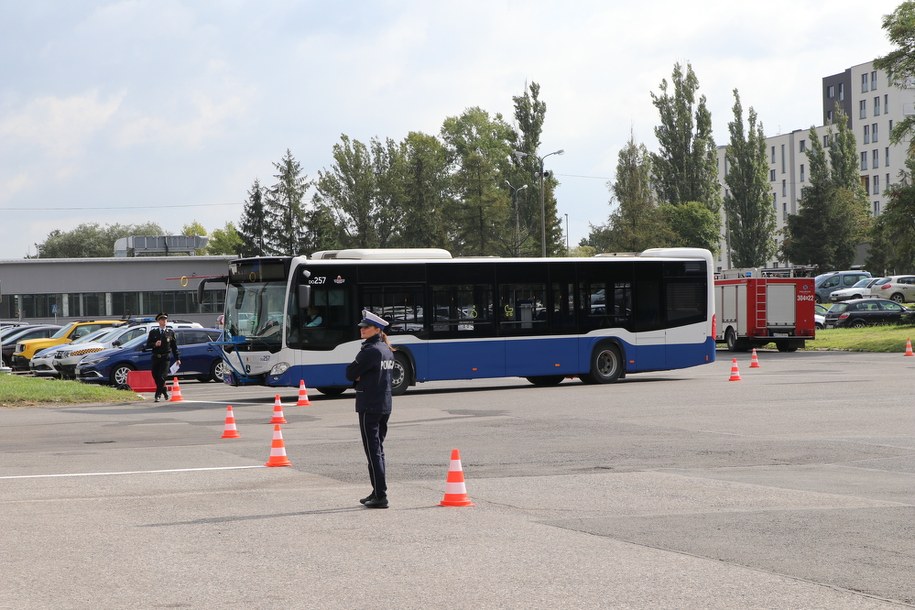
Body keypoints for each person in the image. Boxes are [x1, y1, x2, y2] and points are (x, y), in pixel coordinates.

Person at [345, 309, 394, 509]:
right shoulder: (386, 349)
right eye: (362, 327)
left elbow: (350, 372)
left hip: (369, 405)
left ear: (376, 329)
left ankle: (380, 495)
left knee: (373, 451)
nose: (362, 330)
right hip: (384, 404)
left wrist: (359, 377)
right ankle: (376, 491)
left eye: (366, 328)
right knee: (378, 449)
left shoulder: (371, 351)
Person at [146, 313, 180, 403]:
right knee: (155, 375)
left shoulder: (170, 332)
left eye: (165, 319)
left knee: (162, 376)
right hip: (156, 357)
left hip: (165, 358)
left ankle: (157, 395)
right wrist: (154, 344)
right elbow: (147, 345)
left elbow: (174, 347)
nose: (164, 321)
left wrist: (177, 358)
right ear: (158, 321)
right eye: (162, 319)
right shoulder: (153, 332)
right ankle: (164, 390)